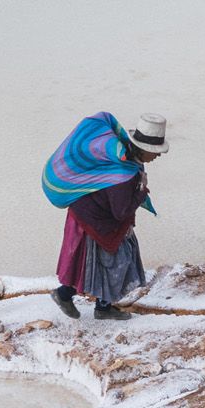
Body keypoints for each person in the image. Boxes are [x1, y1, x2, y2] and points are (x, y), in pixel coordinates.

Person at [41, 111, 168, 320]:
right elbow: (121, 212)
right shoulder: (122, 175)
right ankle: (82, 300)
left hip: (87, 213)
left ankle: (97, 304)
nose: (158, 155)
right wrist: (142, 192)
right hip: (94, 221)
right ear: (143, 149)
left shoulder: (124, 156)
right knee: (114, 262)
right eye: (156, 151)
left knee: (94, 263)